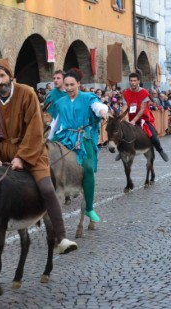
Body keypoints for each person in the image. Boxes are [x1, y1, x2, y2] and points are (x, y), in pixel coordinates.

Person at [0, 58, 78, 254]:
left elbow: (35, 128)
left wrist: (22, 157)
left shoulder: (27, 93)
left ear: (10, 76)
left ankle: (61, 237)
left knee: (47, 189)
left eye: (2, 76)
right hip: (1, 153)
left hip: (32, 152)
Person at [47, 68, 108, 222]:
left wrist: (102, 111)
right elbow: (55, 123)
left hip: (84, 137)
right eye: (66, 85)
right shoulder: (60, 102)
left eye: (71, 85)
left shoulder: (88, 97)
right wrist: (48, 140)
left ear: (78, 84)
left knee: (88, 167)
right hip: (65, 136)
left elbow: (98, 106)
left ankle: (89, 208)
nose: (68, 88)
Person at [120, 72, 169, 161]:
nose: (133, 82)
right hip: (130, 119)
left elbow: (142, 110)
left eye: (135, 80)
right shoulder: (126, 93)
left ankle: (160, 150)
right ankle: (122, 150)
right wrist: (126, 121)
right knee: (119, 133)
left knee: (153, 137)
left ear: (138, 81)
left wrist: (134, 121)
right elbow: (124, 108)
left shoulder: (144, 92)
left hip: (144, 119)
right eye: (131, 81)